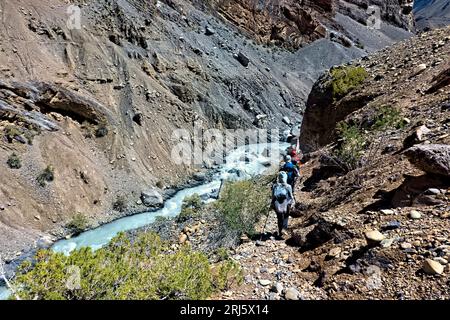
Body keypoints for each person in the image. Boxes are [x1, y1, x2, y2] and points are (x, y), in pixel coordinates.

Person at [272, 172, 294, 239]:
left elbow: (273, 196)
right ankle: (284, 230)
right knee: (286, 216)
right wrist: (292, 203)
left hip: (277, 204)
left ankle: (280, 231)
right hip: (286, 204)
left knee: (279, 218)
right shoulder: (288, 186)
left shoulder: (275, 186)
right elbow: (291, 196)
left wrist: (272, 204)